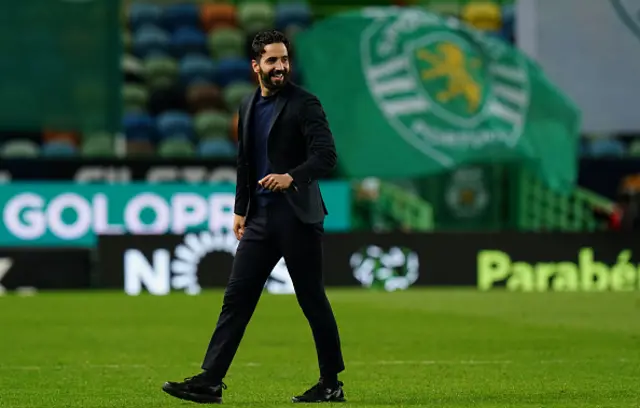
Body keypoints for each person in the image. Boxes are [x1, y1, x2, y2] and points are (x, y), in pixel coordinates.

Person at [161, 30, 346, 404]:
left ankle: (330, 384)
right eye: (272, 61)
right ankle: (210, 381)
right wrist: (240, 208)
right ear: (256, 65)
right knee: (237, 299)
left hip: (297, 217)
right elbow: (245, 162)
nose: (280, 67)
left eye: (284, 60)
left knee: (311, 300)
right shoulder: (247, 106)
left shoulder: (305, 103)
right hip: (260, 219)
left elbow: (326, 155)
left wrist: (291, 176)